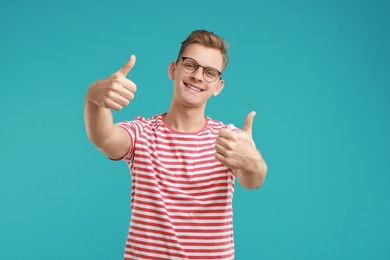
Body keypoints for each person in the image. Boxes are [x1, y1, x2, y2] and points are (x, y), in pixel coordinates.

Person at [84, 29, 268, 260]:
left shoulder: (228, 139)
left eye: (209, 72)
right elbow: (104, 138)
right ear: (173, 69)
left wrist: (254, 162)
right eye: (190, 65)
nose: (198, 76)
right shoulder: (142, 133)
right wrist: (94, 100)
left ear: (218, 86)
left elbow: (252, 181)